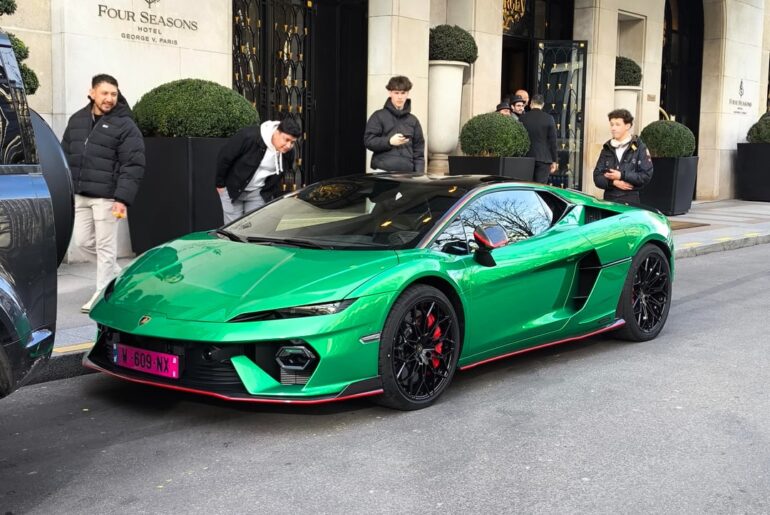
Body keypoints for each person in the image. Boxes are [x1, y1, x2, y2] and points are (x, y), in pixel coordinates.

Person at [61, 74, 145, 313]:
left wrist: (122, 199)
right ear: (92, 93)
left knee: (106, 247)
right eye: (105, 93)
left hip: (108, 197)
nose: (109, 99)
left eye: (114, 94)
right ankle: (116, 274)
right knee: (82, 242)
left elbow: (133, 164)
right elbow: (65, 155)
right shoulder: (77, 120)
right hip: (80, 194)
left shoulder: (125, 125)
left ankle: (101, 294)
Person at [216, 118, 300, 224]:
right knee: (233, 229)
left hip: (258, 193)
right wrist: (220, 185)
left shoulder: (288, 153)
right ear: (277, 132)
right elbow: (225, 157)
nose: (288, 146)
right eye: (286, 140)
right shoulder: (249, 136)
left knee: (253, 228)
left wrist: (268, 193)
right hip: (232, 189)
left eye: (292, 142)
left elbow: (280, 175)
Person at [364, 75, 425, 172]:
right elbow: (368, 141)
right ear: (390, 93)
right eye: (396, 93)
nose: (400, 97)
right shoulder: (378, 116)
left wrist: (419, 175)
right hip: (383, 171)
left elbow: (419, 152)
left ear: (407, 93)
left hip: (407, 174)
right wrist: (389, 142)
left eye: (403, 93)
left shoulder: (413, 120)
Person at [592, 108, 653, 205]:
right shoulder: (607, 148)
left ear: (627, 126)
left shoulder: (639, 148)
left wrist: (622, 175)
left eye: (617, 124)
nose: (613, 128)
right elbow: (597, 177)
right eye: (612, 124)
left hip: (631, 200)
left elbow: (645, 175)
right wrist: (613, 183)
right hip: (609, 201)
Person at [519, 94, 558, 184]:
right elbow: (553, 141)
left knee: (526, 187)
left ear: (531, 104)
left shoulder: (522, 118)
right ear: (543, 104)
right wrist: (554, 160)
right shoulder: (549, 118)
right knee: (540, 188)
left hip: (526, 158)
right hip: (544, 158)